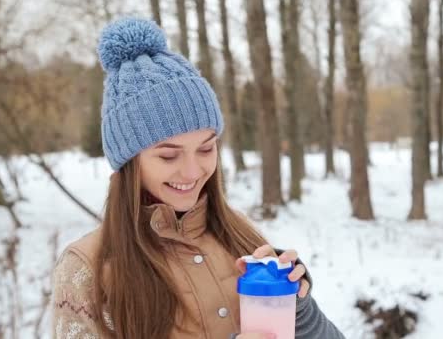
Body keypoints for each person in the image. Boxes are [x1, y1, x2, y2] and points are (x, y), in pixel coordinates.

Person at [51, 17, 344, 339]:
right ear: (129, 161)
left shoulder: (241, 236)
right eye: (168, 155)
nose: (192, 172)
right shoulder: (86, 268)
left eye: (206, 149)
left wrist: (297, 309)